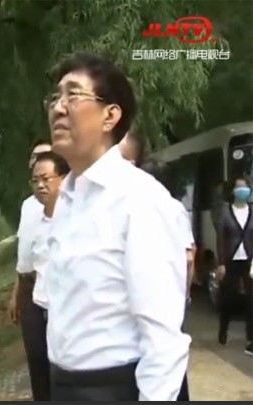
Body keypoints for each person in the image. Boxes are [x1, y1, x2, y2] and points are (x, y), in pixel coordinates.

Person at [43, 52, 190, 401]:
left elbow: (164, 340)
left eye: (73, 95)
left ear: (110, 115)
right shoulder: (68, 199)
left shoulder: (139, 200)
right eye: (55, 97)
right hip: (66, 387)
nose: (58, 108)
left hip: (117, 388)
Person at [139, 157, 196, 402]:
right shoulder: (172, 208)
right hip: (168, 294)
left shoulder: (150, 208)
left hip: (155, 295)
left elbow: (188, 257)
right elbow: (188, 256)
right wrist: (185, 294)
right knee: (169, 355)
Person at [14, 151, 70, 401]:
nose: (40, 185)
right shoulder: (35, 221)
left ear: (64, 178)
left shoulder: (77, 220)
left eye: (46, 179)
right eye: (35, 180)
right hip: (41, 309)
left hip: (68, 313)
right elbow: (26, 265)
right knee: (41, 373)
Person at [8, 138, 51, 325]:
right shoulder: (27, 205)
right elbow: (24, 257)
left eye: (45, 156)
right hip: (27, 288)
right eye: (35, 156)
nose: (39, 160)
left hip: (49, 285)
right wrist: (15, 295)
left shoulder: (61, 202)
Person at [216, 177, 253, 356]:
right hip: (230, 260)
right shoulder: (226, 212)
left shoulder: (252, 211)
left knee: (251, 300)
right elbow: (221, 238)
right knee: (227, 298)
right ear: (233, 191)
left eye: (245, 187)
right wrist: (221, 263)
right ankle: (223, 330)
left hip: (249, 261)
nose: (243, 190)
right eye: (239, 187)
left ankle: (251, 337)